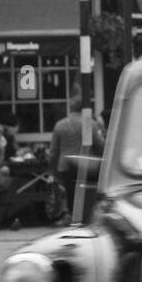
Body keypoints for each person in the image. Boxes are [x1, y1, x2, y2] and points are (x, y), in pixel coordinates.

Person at [48, 92, 105, 220]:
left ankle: (69, 215)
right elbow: (101, 146)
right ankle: (83, 216)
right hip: (86, 164)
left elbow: (53, 152)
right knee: (85, 192)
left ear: (70, 107)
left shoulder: (60, 125)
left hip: (64, 166)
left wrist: (51, 171)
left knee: (68, 193)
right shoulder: (91, 124)